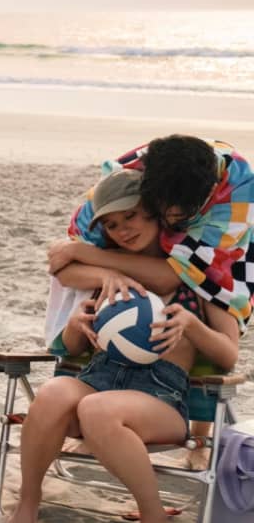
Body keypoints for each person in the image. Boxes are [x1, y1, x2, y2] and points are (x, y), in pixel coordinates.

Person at [5, 170, 239, 523]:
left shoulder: (198, 274)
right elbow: (73, 345)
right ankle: (28, 502)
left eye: (130, 216)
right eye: (111, 225)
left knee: (97, 410)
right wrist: (78, 326)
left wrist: (192, 326)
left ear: (155, 214)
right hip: (99, 377)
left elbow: (228, 355)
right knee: (52, 394)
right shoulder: (109, 275)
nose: (122, 229)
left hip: (159, 395)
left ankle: (154, 522)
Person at [48, 135, 253, 467]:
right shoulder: (136, 175)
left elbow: (174, 276)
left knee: (208, 286)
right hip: (111, 369)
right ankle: (103, 428)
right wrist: (101, 271)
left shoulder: (236, 195)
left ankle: (200, 439)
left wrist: (84, 253)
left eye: (180, 217)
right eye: (166, 213)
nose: (173, 224)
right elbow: (62, 268)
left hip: (222, 234)